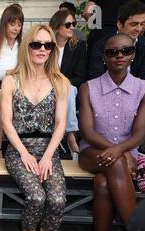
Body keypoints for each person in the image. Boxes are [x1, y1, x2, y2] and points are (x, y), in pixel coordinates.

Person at [78, 33, 145, 231]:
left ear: (133, 54)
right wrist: (121, 153)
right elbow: (87, 132)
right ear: (104, 57)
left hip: (123, 155)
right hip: (91, 152)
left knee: (102, 184)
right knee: (115, 164)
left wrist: (122, 151)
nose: (119, 56)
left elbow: (139, 134)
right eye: (112, 52)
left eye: (125, 51)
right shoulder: (88, 87)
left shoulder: (144, 89)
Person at [0, 24, 69, 231]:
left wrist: (49, 155)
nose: (42, 49)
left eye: (48, 45)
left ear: (53, 49)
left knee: (58, 199)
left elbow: (61, 124)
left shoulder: (60, 81)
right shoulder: (11, 79)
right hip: (20, 149)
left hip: (49, 149)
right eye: (36, 44)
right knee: (36, 197)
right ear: (27, 46)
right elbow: (6, 122)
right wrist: (25, 154)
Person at [88, 1, 145, 84]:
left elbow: (144, 74)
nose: (139, 29)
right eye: (134, 24)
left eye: (142, 24)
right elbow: (96, 77)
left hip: (135, 93)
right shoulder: (101, 45)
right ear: (119, 24)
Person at [50, 9, 87, 156]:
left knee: (69, 89)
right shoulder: (46, 46)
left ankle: (70, 134)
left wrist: (62, 83)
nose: (72, 27)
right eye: (68, 24)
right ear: (57, 27)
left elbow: (80, 76)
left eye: (74, 24)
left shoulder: (78, 47)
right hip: (47, 85)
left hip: (68, 87)